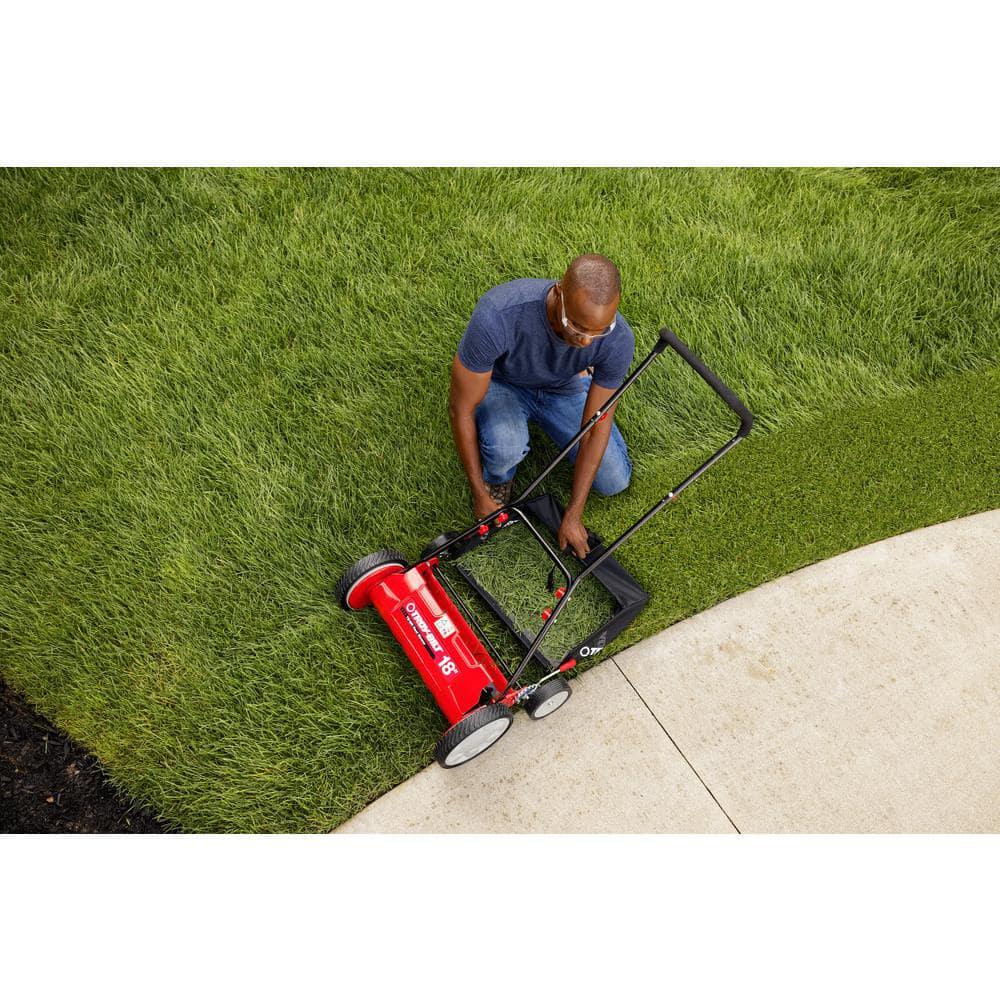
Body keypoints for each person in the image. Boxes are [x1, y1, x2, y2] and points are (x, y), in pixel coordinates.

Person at [449, 254, 635, 561]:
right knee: (506, 447)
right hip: (504, 384)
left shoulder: (616, 339)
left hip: (563, 389)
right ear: (559, 292)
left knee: (614, 481)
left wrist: (574, 513)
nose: (587, 341)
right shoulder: (500, 314)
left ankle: (583, 379)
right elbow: (461, 410)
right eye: (576, 325)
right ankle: (498, 482)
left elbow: (596, 427)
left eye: (597, 331)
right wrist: (479, 493)